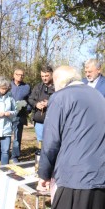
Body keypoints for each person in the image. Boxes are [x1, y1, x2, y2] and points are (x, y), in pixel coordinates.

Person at [37, 66, 105, 209]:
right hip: (100, 175)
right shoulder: (98, 95)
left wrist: (44, 175)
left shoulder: (60, 96)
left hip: (74, 177)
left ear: (58, 81)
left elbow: (51, 142)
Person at [28, 66, 54, 143]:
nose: (44, 78)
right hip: (39, 121)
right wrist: (36, 104)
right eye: (42, 76)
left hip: (53, 123)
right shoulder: (38, 87)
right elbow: (30, 99)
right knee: (40, 144)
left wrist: (49, 103)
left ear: (52, 75)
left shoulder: (58, 86)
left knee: (52, 144)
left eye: (46, 76)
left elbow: (62, 101)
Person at [10, 69, 31, 163]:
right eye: (18, 75)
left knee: (17, 137)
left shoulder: (26, 87)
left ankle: (15, 157)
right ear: (14, 75)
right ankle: (4, 154)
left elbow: (30, 100)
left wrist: (27, 109)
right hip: (7, 116)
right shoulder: (7, 85)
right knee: (4, 137)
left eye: (22, 75)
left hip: (19, 116)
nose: (20, 76)